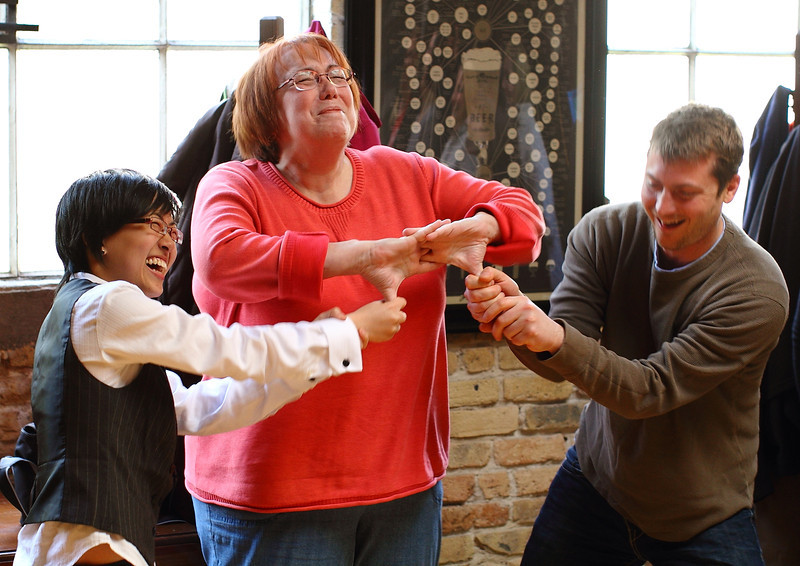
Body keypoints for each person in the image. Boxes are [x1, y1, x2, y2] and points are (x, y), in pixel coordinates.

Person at [185, 32, 545, 565]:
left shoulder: (408, 174)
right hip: (272, 493)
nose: (330, 87)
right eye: (305, 79)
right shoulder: (235, 185)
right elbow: (222, 259)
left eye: (339, 76)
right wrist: (367, 255)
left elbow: (524, 216)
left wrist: (481, 227)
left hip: (403, 487)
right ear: (264, 111)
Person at [15, 168, 408, 566]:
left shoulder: (86, 310)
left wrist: (327, 351)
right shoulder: (107, 304)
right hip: (89, 548)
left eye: (172, 231)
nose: (167, 242)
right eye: (153, 225)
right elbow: (225, 347)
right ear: (95, 237)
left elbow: (201, 409)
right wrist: (343, 332)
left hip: (83, 547)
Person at [464, 104, 790, 565]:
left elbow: (649, 390)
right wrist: (513, 319)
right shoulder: (604, 232)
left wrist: (551, 336)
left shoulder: (756, 290)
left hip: (701, 511)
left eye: (685, 193)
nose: (663, 207)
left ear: (730, 188)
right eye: (654, 185)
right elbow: (559, 362)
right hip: (599, 482)